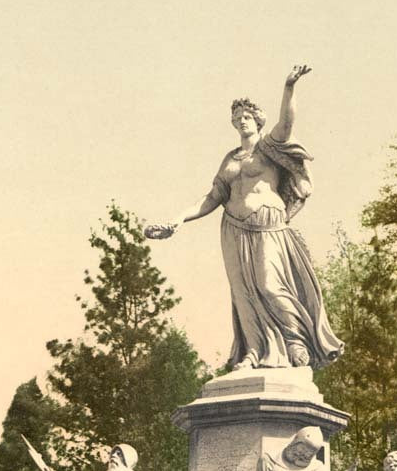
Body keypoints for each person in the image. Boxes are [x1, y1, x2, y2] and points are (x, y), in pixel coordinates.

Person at [144, 65, 343, 371]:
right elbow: (213, 196)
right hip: (233, 229)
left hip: (267, 225)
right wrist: (179, 219)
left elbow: (286, 123)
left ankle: (295, 342)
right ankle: (253, 351)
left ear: (258, 119)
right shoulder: (230, 158)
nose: (241, 121)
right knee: (243, 293)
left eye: (246, 116)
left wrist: (289, 87)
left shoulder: (269, 147)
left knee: (269, 285)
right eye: (236, 118)